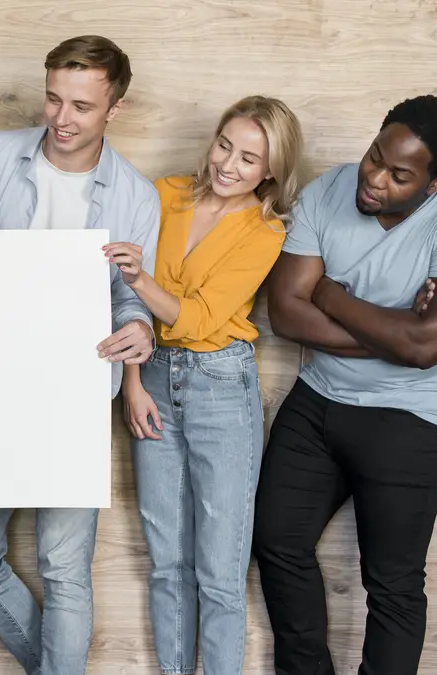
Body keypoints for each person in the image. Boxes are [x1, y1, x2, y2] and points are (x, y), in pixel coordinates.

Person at [252, 94, 437, 675]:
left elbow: (425, 349)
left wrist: (332, 293)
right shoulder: (328, 190)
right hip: (318, 401)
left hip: (414, 418)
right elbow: (288, 315)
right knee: (276, 542)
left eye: (399, 175)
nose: (373, 179)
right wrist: (394, 331)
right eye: (374, 157)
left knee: (391, 583)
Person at [0, 35, 160, 675]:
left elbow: (129, 302)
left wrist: (140, 333)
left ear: (113, 109)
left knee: (64, 572)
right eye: (53, 98)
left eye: (83, 107)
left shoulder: (136, 195)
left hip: (73, 395)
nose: (62, 120)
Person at [109, 96, 304, 675]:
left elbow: (194, 317)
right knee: (167, 563)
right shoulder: (160, 194)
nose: (228, 165)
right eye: (225, 145)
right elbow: (127, 309)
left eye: (249, 158)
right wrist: (132, 383)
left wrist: (140, 276)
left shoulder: (266, 231)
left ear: (270, 170)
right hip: (154, 381)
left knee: (220, 575)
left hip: (222, 387)